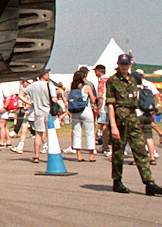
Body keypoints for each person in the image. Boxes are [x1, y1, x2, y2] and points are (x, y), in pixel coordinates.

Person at [106, 54, 159, 195]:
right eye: (122, 64)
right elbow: (110, 104)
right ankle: (117, 181)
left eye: (126, 64)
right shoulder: (112, 81)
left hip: (133, 118)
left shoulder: (133, 80)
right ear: (118, 64)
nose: (124, 66)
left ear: (130, 65)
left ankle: (149, 183)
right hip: (119, 119)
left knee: (141, 150)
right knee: (118, 152)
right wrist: (113, 126)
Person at [26, 71, 58, 164]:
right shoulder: (50, 85)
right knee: (51, 134)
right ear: (43, 75)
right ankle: (52, 154)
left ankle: (36, 156)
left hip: (38, 112)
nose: (49, 75)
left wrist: (30, 103)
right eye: (47, 74)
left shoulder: (32, 85)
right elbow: (54, 99)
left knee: (38, 134)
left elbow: (21, 95)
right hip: (48, 112)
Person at [68, 69, 98, 162]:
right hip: (86, 110)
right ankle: (91, 155)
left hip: (75, 111)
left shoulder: (73, 88)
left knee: (76, 132)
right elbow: (93, 100)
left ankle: (79, 155)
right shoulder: (86, 87)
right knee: (89, 132)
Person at [134, 70, 158, 165]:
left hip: (138, 113)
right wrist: (155, 107)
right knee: (149, 136)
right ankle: (152, 157)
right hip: (148, 113)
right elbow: (156, 95)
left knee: (137, 137)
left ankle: (139, 158)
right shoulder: (149, 84)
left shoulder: (134, 87)